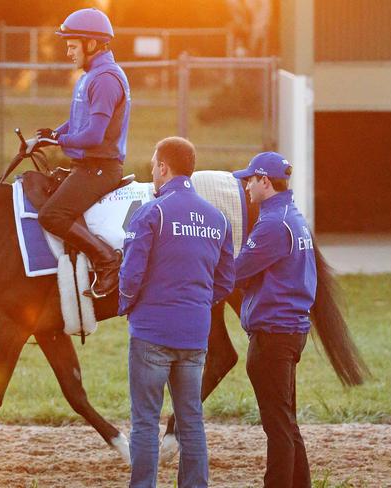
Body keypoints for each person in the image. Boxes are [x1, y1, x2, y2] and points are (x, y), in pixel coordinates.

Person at [119, 137, 235, 488]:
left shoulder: (152, 212)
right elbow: (226, 280)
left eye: (154, 166)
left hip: (151, 333)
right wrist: (198, 304)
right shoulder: (218, 219)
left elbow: (130, 275)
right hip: (195, 336)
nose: (152, 172)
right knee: (191, 421)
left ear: (164, 168)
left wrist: (128, 305)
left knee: (144, 422)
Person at [32, 7, 131, 298]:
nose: (68, 52)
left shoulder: (104, 80)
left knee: (51, 215)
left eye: (72, 45)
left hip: (100, 168)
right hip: (87, 166)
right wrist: (52, 135)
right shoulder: (92, 74)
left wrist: (59, 142)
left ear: (91, 44)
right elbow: (78, 123)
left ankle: (108, 262)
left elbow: (93, 135)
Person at [232, 151, 316, 487]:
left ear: (265, 182)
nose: (247, 187)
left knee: (277, 427)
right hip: (290, 331)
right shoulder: (292, 216)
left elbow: (236, 272)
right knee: (286, 422)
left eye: (250, 180)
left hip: (272, 336)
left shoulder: (271, 225)